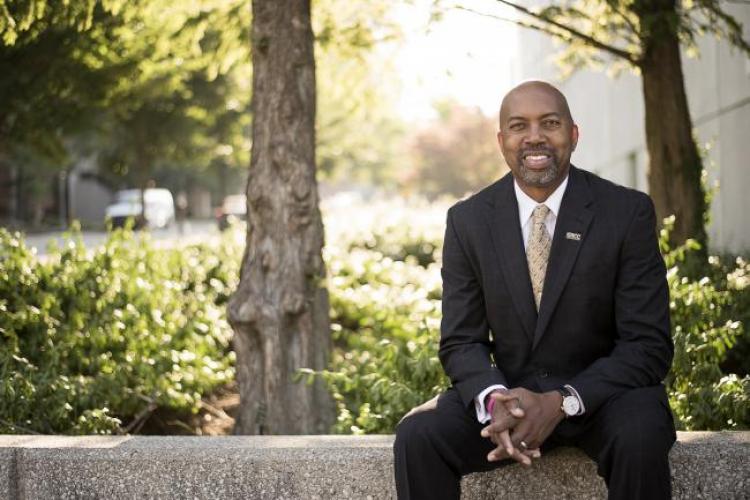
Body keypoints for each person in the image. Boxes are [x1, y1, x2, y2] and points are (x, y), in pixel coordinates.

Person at [393, 80, 676, 500]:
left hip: (603, 399)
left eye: (550, 123)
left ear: (573, 134)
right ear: (502, 140)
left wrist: (562, 401)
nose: (535, 137)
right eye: (519, 126)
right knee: (420, 435)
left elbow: (647, 344)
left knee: (642, 432)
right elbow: (461, 340)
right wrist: (496, 401)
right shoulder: (468, 221)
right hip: (512, 398)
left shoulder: (626, 212)